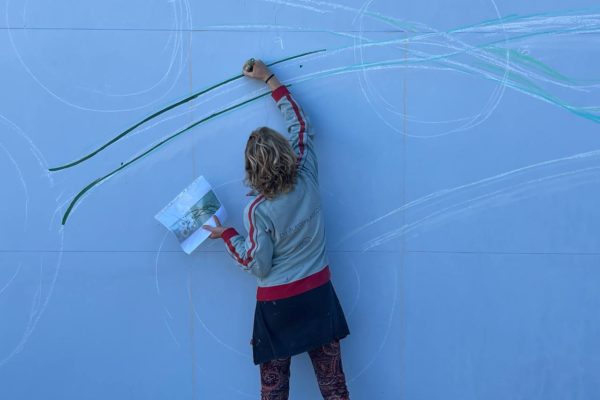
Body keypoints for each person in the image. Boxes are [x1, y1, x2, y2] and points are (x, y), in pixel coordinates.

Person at [203, 58, 350, 400]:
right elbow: (300, 123)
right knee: (333, 386)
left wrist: (225, 234)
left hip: (277, 307)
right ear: (285, 153)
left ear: (251, 169)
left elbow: (258, 264)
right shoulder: (307, 174)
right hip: (318, 297)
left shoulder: (258, 211)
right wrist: (269, 78)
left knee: (274, 390)